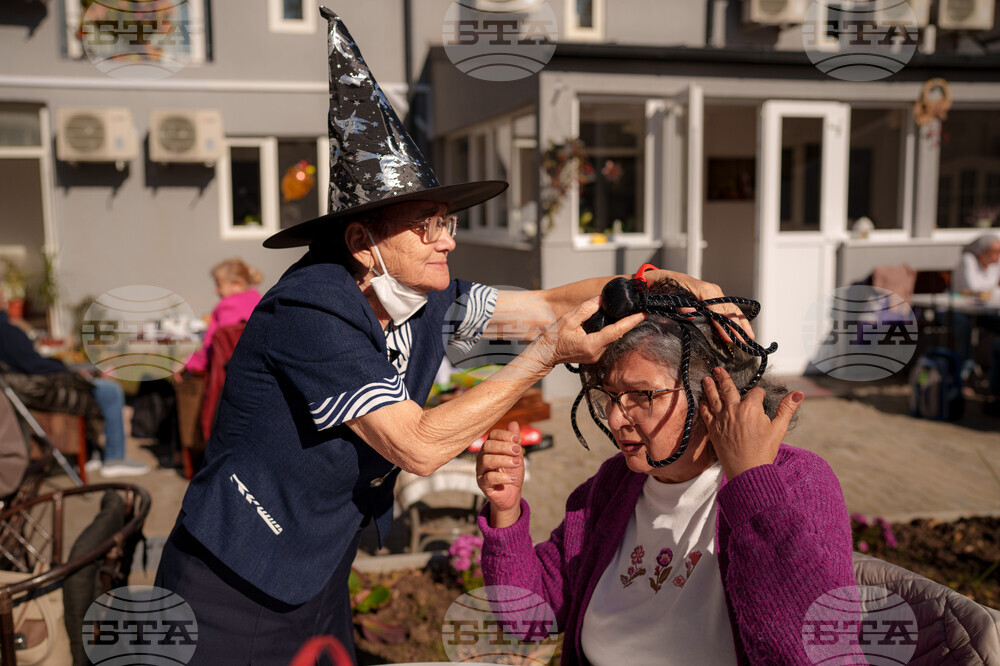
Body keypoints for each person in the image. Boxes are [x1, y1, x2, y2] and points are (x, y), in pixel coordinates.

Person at [153, 11, 750, 665]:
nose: (449, 238)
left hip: (315, 570)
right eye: (428, 226)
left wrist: (669, 282)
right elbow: (418, 444)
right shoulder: (311, 310)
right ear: (362, 242)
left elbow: (548, 303)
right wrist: (546, 353)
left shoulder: (424, 302)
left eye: (447, 221)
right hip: (231, 581)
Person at [476, 275, 859, 664]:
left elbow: (813, 651)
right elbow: (529, 620)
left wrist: (750, 482)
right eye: (610, 395)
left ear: (712, 393)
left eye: (643, 395)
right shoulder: (613, 486)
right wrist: (505, 513)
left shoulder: (797, 481)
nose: (615, 418)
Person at [0, 298, 150, 478]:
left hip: (35, 388)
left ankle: (92, 454)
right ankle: (115, 457)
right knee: (110, 390)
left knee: (95, 384)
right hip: (45, 389)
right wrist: (71, 372)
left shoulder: (7, 330)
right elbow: (35, 366)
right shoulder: (7, 332)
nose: (7, 300)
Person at [181, 258, 263, 377]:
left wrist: (188, 362)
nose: (216, 290)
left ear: (237, 284)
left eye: (219, 285)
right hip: (254, 371)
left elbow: (214, 348)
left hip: (225, 376)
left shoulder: (227, 307)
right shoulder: (257, 299)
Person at [950, 235, 1000, 411]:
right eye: (994, 252)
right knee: (962, 328)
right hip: (959, 310)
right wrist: (989, 291)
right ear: (981, 252)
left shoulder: (996, 264)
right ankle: (962, 375)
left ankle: (993, 391)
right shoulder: (968, 259)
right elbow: (973, 287)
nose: (997, 256)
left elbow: (989, 290)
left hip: (985, 311)